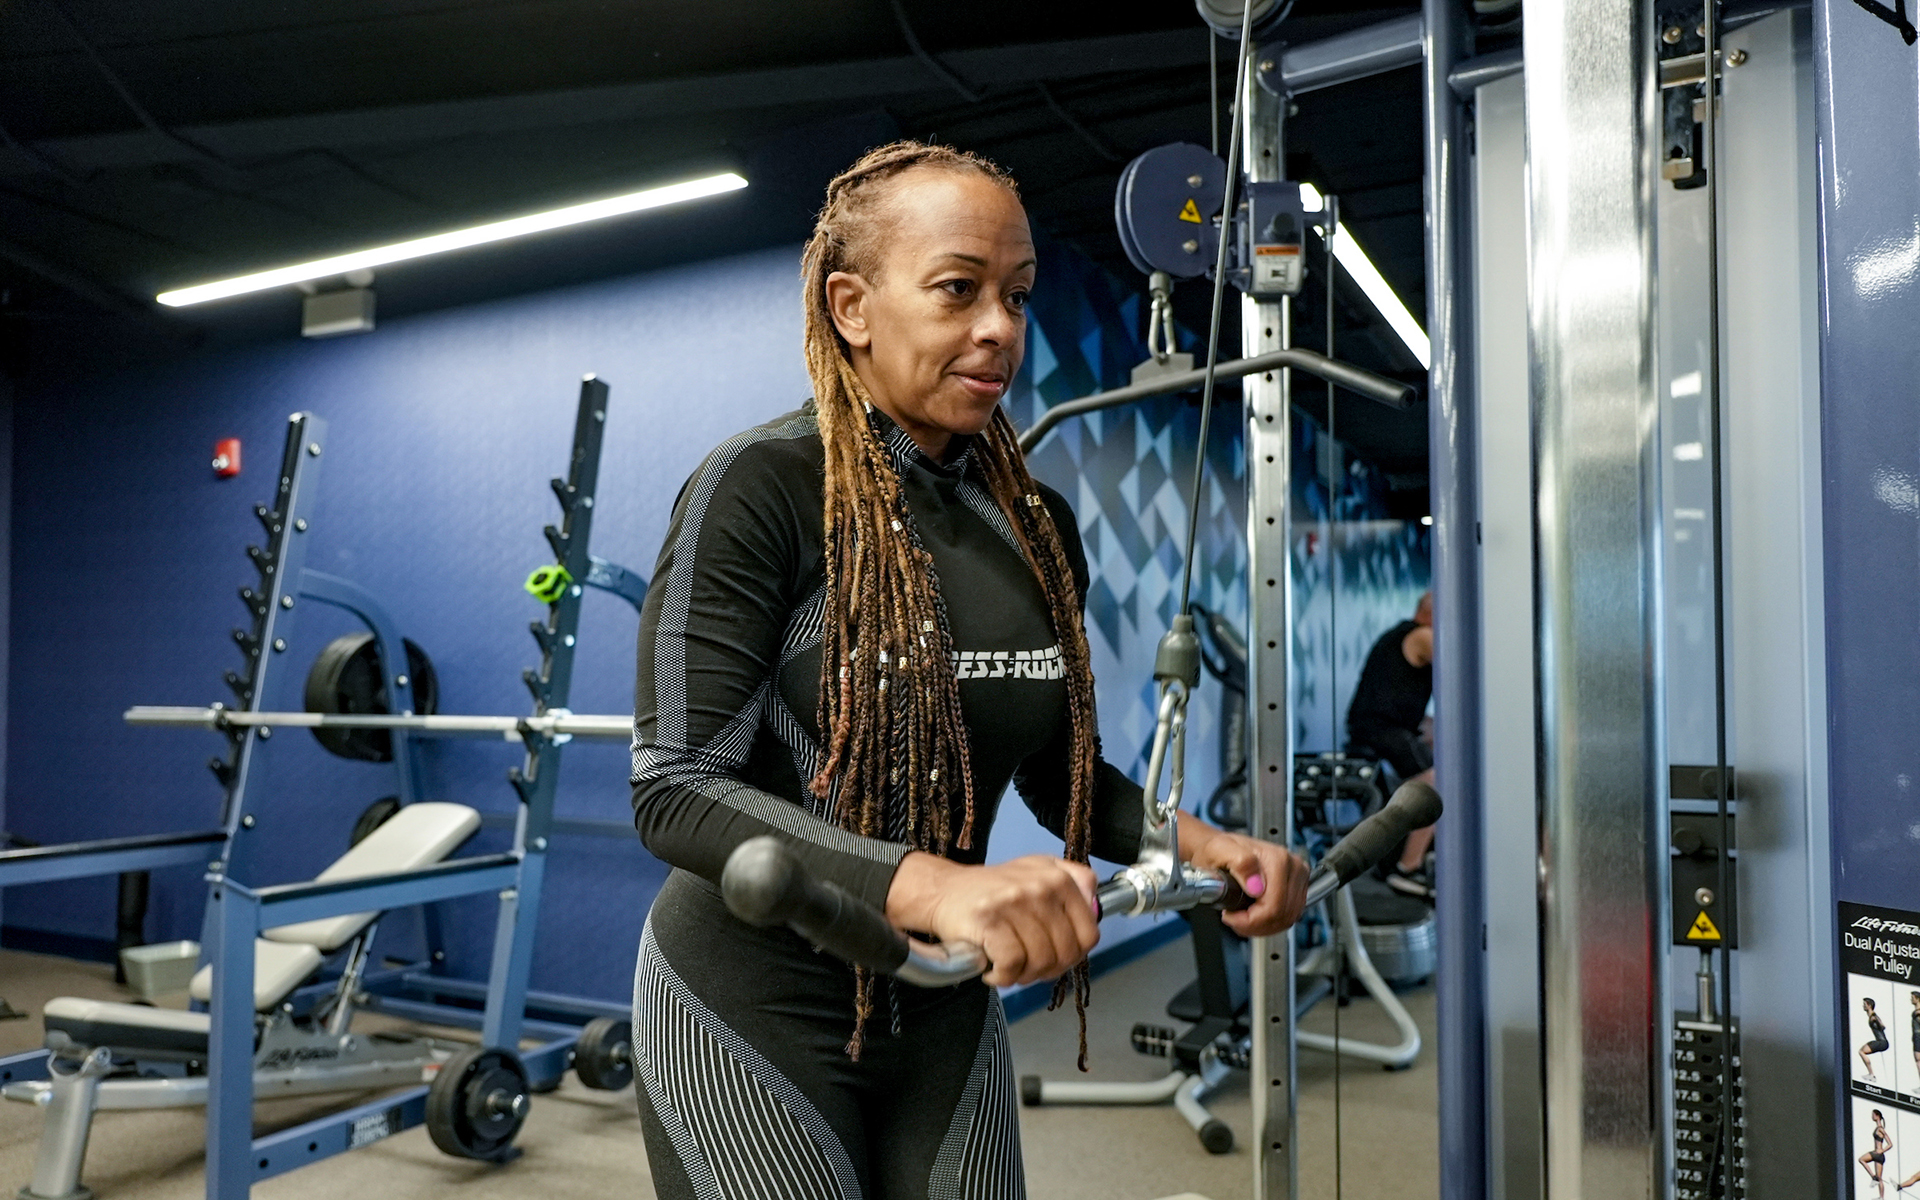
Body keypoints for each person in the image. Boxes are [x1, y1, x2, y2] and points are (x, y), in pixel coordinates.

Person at [627, 140, 1311, 1199]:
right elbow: (676, 788)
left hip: (944, 992)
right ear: (853, 307)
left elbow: (1064, 781)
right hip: (749, 1000)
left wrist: (1202, 846)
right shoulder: (758, 487)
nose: (1000, 327)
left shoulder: (1037, 525)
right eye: (958, 289)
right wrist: (939, 886)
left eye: (1017, 295)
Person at [1344, 591, 1436, 898]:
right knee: (1434, 783)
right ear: (1430, 614)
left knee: (1434, 749)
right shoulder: (1421, 636)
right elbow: (1460, 665)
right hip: (1380, 730)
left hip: (1375, 727)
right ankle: (1408, 868)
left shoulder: (1397, 637)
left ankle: (1423, 853)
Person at [1864, 1109, 1891, 1199]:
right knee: (1880, 1178)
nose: (1872, 1116)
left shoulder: (1880, 1129)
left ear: (1877, 1116)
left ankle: (1873, 1177)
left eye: (1873, 1115)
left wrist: (1882, 1150)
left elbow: (1890, 1144)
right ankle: (1881, 1197)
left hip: (1878, 1154)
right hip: (1878, 1155)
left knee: (1861, 1159)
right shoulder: (1878, 1128)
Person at [1865, 996, 1892, 1080]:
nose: (1863, 1006)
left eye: (1864, 1004)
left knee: (1861, 1051)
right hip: (1881, 1042)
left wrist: (1877, 1022)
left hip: (1882, 1042)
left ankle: (1871, 1074)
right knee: (1862, 1051)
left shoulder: (1873, 1016)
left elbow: (1883, 1026)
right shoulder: (1872, 1016)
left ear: (1869, 1005)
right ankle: (1871, 1074)